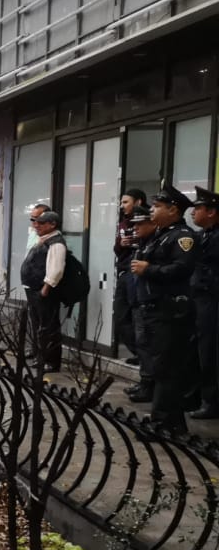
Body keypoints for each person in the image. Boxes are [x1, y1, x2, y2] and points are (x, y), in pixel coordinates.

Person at [131, 185, 198, 433]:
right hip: (153, 309)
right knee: (160, 368)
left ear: (173, 210)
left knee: (166, 368)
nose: (152, 210)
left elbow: (182, 269)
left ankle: (162, 423)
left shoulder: (182, 237)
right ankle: (171, 422)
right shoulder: (160, 235)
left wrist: (149, 270)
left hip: (169, 311)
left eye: (158, 206)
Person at [20, 210, 67, 372]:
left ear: (52, 225)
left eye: (41, 223)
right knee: (39, 325)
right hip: (35, 289)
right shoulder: (44, 240)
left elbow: (56, 270)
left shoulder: (56, 243)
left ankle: (51, 361)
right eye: (36, 222)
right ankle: (41, 357)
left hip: (45, 291)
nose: (37, 226)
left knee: (49, 326)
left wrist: (46, 288)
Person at [188, 187, 219, 419]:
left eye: (197, 209)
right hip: (200, 300)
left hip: (212, 300)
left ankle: (212, 402)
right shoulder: (204, 235)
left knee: (210, 352)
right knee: (201, 351)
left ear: (211, 212)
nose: (193, 213)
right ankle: (205, 397)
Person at [125, 208, 158, 404]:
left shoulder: (158, 242)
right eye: (134, 225)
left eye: (139, 224)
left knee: (147, 343)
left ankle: (150, 385)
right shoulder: (143, 243)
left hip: (150, 301)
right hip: (138, 298)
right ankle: (145, 381)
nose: (135, 228)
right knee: (142, 342)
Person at [114, 189, 148, 363]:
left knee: (138, 317)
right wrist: (121, 244)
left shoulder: (149, 221)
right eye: (121, 202)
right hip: (125, 270)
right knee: (120, 316)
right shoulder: (123, 223)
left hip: (139, 273)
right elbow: (117, 250)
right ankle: (137, 352)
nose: (122, 206)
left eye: (126, 202)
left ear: (138, 202)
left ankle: (144, 356)